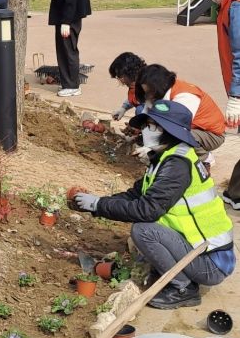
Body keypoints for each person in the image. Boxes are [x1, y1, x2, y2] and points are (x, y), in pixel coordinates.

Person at [74, 100, 235, 310]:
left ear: (170, 131)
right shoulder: (166, 158)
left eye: (153, 126)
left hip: (211, 261)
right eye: (147, 125)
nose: (146, 131)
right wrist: (96, 204)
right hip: (200, 251)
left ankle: (183, 289)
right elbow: (135, 195)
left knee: (143, 230)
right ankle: (164, 275)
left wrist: (98, 205)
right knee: (147, 233)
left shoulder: (177, 165)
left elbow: (147, 210)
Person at [194, 0, 240, 209]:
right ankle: (235, 194)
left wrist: (236, 96)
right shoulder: (232, 2)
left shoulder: (236, 5)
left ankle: (236, 194)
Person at [135, 64, 225, 171]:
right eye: (146, 92)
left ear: (158, 86)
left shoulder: (185, 96)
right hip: (192, 129)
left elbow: (178, 130)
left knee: (180, 136)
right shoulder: (158, 93)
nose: (148, 96)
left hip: (212, 135)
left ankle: (205, 158)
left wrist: (151, 149)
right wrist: (142, 135)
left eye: (150, 92)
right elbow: (147, 116)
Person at [48, 0, 91, 97]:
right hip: (64, 20)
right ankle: (67, 82)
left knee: (68, 52)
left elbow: (71, 2)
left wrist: (66, 22)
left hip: (68, 21)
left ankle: (72, 85)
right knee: (63, 52)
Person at [109, 52, 147, 120]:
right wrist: (123, 108)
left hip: (162, 119)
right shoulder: (136, 85)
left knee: (140, 110)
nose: (121, 80)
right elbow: (135, 98)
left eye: (119, 76)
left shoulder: (149, 85)